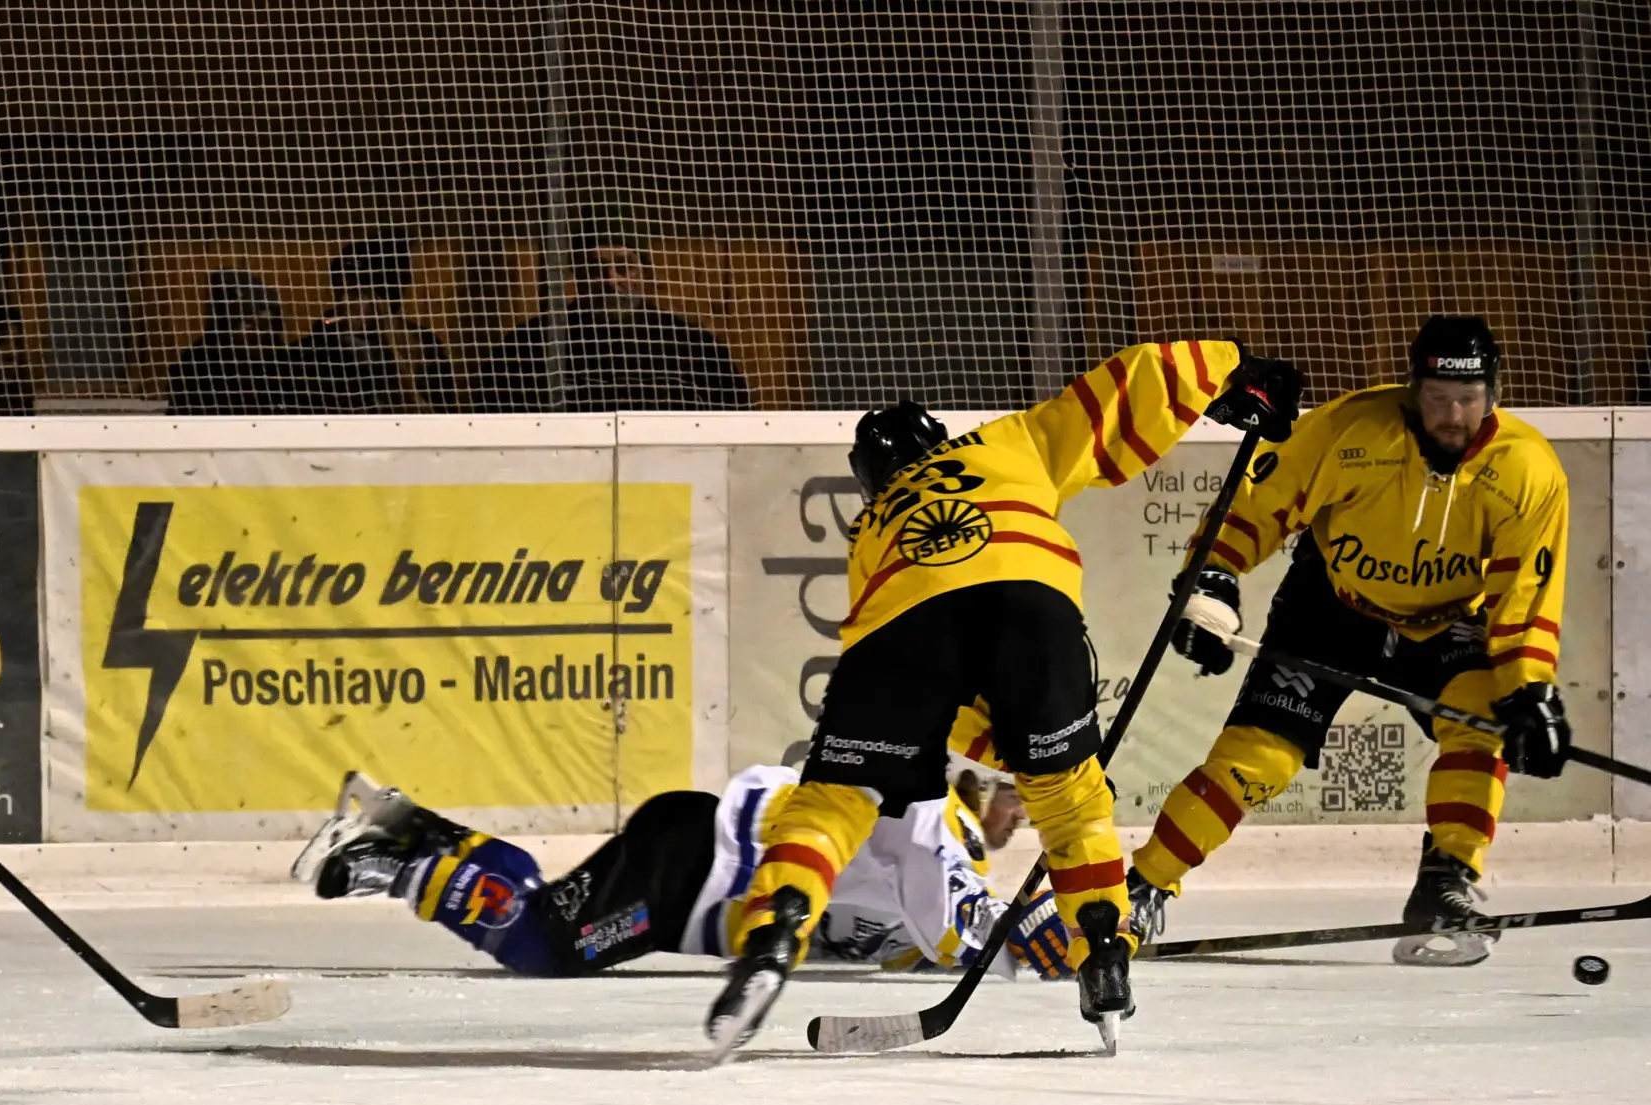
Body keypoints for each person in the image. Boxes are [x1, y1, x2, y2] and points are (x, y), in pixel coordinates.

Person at [702, 338, 1302, 1058]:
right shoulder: (1007, 442)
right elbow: (1127, 388)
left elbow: (939, 704)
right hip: (1031, 608)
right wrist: (1229, 371)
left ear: (872, 484)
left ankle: (774, 933)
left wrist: (1004, 749)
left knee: (834, 801)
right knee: (1073, 805)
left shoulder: (873, 536)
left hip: (897, 626)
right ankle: (1104, 957)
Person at [1127, 316, 1572, 965]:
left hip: (1448, 621)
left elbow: (1524, 603)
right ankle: (1138, 887)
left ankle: (1445, 884)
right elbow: (1256, 510)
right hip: (1331, 606)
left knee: (1481, 722)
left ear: (1494, 392)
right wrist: (1211, 588)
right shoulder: (1350, 430)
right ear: (1412, 388)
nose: (1454, 415)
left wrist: (1531, 691)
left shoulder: (1528, 472)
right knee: (1256, 760)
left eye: (1469, 399)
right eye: (1439, 398)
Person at [292, 737, 1077, 983]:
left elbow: (915, 945)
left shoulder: (927, 852)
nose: (1026, 816)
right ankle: (387, 863)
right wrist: (1051, 947)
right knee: (539, 946)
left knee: (541, 916)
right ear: (986, 782)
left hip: (689, 867)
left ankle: (416, 831)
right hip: (692, 871)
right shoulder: (935, 825)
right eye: (1021, 796)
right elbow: (963, 939)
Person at [479, 235, 748, 413]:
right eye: (596, 269)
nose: (609, 281)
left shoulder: (693, 348)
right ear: (577, 275)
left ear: (646, 272)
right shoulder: (527, 347)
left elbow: (738, 430)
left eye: (623, 266)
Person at [291, 236, 455, 414]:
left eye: (357, 293)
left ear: (383, 299)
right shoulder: (315, 349)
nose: (344, 302)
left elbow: (443, 413)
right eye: (339, 290)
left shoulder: (423, 346)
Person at [166, 270, 291, 416]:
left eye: (264, 324)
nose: (258, 333)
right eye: (249, 323)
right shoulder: (198, 362)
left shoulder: (282, 361)